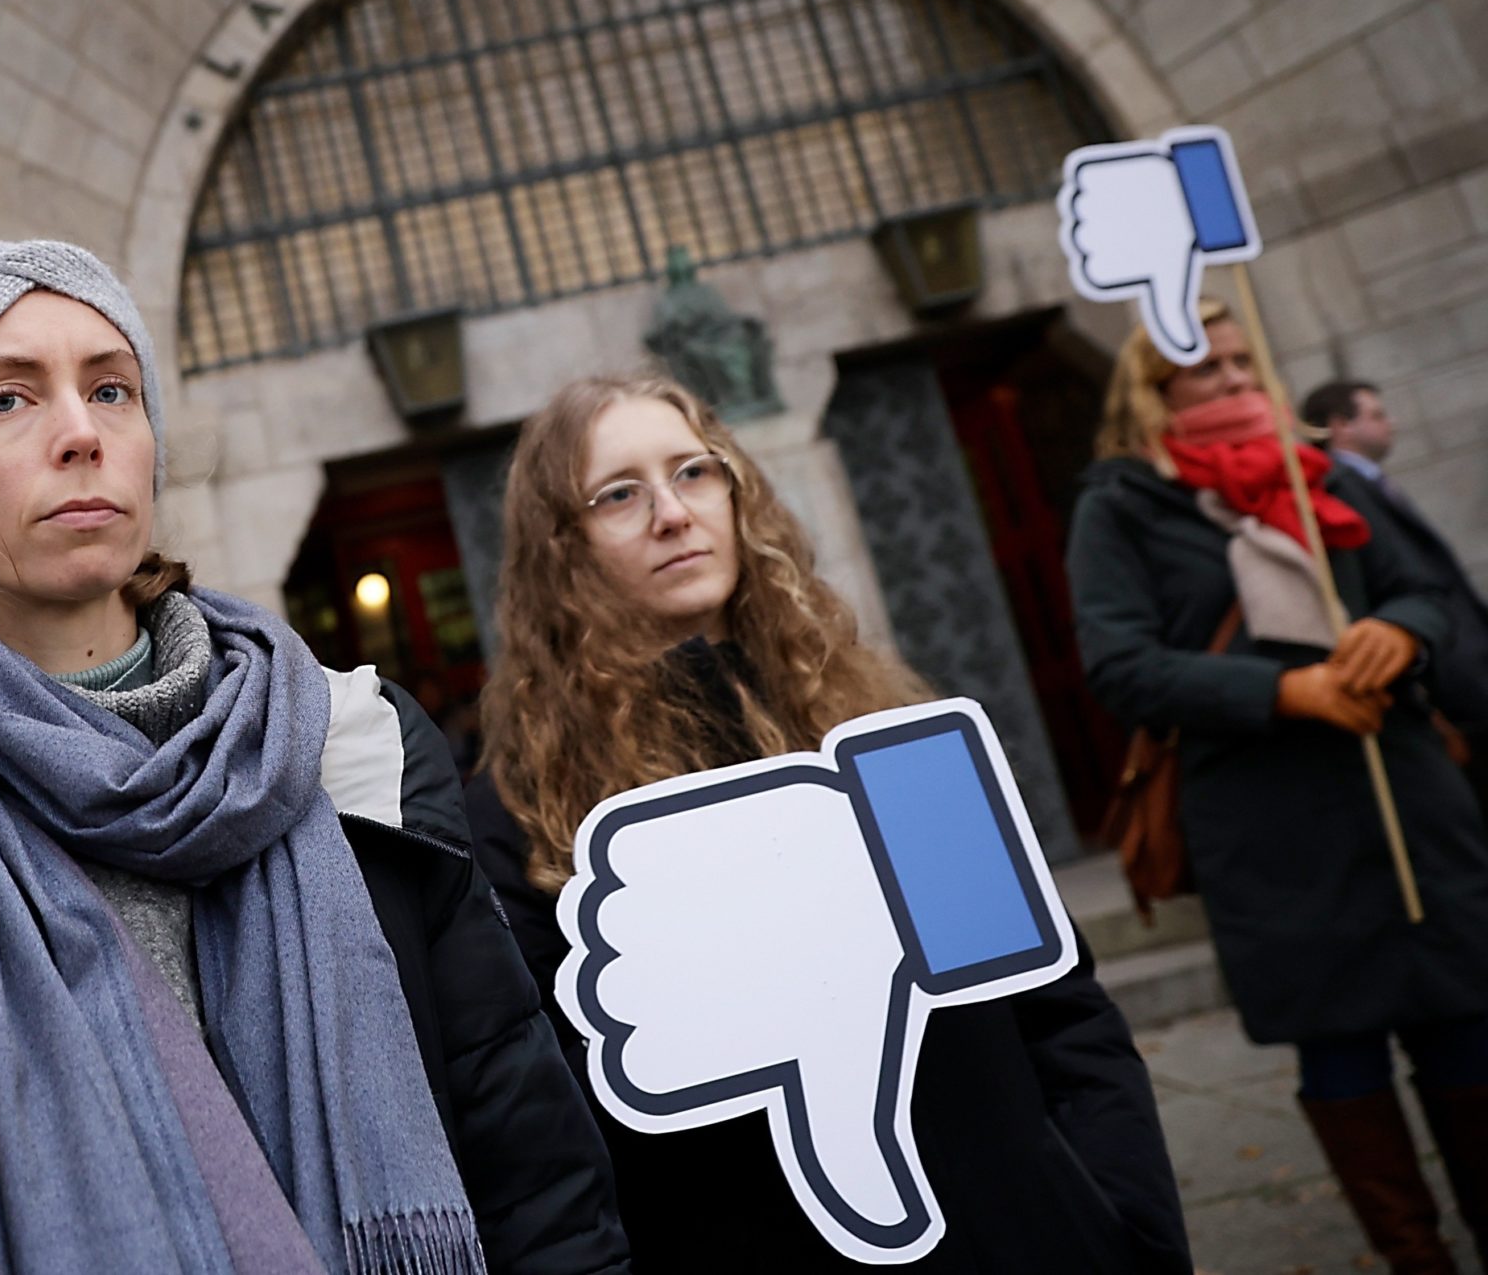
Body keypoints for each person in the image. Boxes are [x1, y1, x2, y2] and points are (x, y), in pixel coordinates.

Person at [0, 240, 629, 1275]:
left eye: (111, 388)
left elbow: (535, 1181)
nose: (79, 433)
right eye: (7, 401)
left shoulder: (352, 753)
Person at [466, 372, 1188, 1273]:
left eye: (695, 472)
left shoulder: (880, 735)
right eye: (618, 494)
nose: (671, 512)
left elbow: (1058, 1013)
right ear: (559, 546)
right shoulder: (530, 818)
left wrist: (1126, 1221)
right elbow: (554, 1139)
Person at [1068, 302, 1488, 1274]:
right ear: (1153, 388)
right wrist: (1282, 688)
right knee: (1339, 1048)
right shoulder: (1122, 504)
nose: (1229, 378)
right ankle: (1414, 1256)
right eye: (1202, 366)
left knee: (1466, 1028)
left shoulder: (1323, 471)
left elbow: (1423, 586)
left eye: (1240, 359)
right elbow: (1122, 665)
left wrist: (1406, 631)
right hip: (1270, 830)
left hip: (1407, 803)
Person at [1302, 378, 1488, 790]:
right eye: (1377, 415)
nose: (1394, 423)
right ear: (1340, 425)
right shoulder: (1334, 486)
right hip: (1447, 685)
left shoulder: (1366, 482)